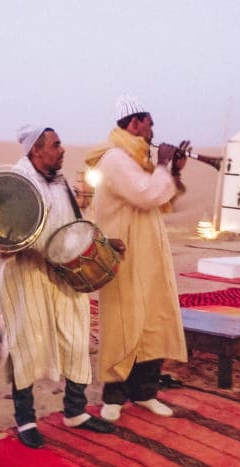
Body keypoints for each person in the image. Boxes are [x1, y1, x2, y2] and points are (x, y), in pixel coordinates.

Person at [0, 125, 117, 449]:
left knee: (76, 340)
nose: (62, 150)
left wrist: (99, 242)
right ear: (36, 151)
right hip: (26, 276)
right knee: (26, 346)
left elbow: (70, 227)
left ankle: (75, 411)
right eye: (56, 145)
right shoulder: (15, 183)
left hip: (64, 274)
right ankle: (26, 419)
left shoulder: (60, 182)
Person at [84, 93, 190, 423]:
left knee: (152, 320)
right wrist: (162, 166)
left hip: (149, 253)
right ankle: (113, 396)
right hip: (125, 253)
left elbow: (162, 199)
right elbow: (146, 195)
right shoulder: (115, 159)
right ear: (135, 123)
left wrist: (174, 170)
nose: (153, 128)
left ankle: (145, 393)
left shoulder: (137, 158)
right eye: (149, 122)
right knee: (122, 322)